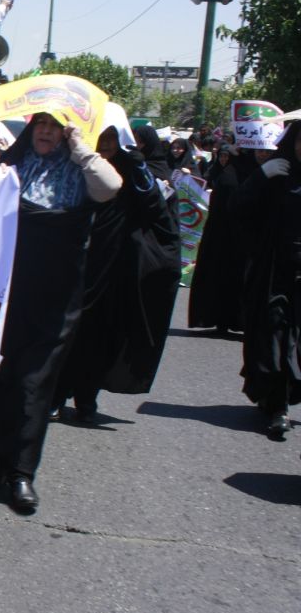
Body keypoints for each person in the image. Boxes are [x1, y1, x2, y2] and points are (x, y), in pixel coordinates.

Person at [0, 112, 123, 513]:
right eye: (41, 124)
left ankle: (21, 474)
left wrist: (81, 149)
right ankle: (1, 460)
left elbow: (111, 187)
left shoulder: (81, 171)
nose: (46, 132)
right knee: (0, 381)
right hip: (8, 295)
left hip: (56, 300)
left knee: (34, 385)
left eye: (55, 126)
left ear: (66, 132)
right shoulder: (15, 166)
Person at [53, 121, 182, 423]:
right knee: (69, 333)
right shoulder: (78, 163)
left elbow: (157, 209)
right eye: (101, 138)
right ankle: (56, 396)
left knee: (101, 335)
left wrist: (137, 166)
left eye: (112, 138)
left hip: (114, 269)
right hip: (78, 263)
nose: (106, 145)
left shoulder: (136, 171)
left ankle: (86, 399)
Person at [237, 123, 301, 439]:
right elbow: (239, 209)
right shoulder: (278, 175)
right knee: (276, 333)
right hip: (275, 271)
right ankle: (279, 406)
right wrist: (260, 177)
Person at [188, 143, 248, 333]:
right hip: (217, 232)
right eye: (221, 156)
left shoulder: (236, 175)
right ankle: (219, 320)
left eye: (227, 157)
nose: (223, 159)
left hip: (234, 234)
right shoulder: (218, 174)